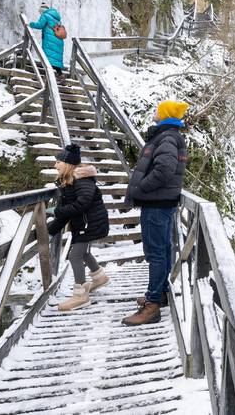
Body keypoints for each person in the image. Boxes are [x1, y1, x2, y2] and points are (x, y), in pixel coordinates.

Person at [122, 100, 189, 326]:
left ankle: (152, 306)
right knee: (163, 250)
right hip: (162, 202)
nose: (154, 112)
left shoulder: (167, 137)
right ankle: (159, 294)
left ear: (164, 114)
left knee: (155, 253)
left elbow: (165, 168)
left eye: (157, 109)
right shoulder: (168, 135)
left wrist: (142, 188)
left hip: (156, 203)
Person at [48, 144, 110, 311]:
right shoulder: (69, 182)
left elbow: (81, 204)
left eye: (58, 162)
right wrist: (50, 230)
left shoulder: (81, 181)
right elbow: (66, 213)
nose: (55, 166)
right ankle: (99, 278)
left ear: (67, 164)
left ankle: (80, 295)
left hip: (89, 225)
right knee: (84, 252)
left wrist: (56, 211)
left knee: (74, 255)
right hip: (84, 224)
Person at [29, 2, 65, 79]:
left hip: (50, 40)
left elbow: (40, 25)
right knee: (54, 58)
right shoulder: (57, 18)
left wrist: (30, 24)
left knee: (48, 58)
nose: (40, 14)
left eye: (40, 12)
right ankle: (60, 74)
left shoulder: (45, 15)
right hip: (58, 40)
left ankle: (48, 76)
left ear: (42, 11)